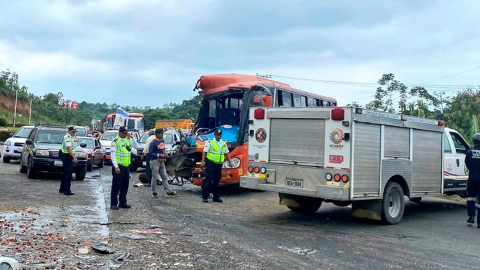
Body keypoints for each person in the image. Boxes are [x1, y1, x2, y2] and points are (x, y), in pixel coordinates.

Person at [201, 129, 233, 203]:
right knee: (208, 180)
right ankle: (205, 197)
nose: (218, 136)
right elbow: (204, 152)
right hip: (210, 163)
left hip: (218, 164)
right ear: (214, 135)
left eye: (220, 135)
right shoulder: (210, 142)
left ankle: (216, 197)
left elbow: (227, 153)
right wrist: (203, 161)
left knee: (217, 180)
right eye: (217, 134)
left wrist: (230, 161)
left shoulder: (223, 143)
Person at [149, 128, 178, 198]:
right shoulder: (153, 143)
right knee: (155, 177)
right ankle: (154, 192)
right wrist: (159, 155)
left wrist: (165, 154)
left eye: (162, 133)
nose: (162, 135)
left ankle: (168, 191)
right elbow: (150, 153)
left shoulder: (162, 141)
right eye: (161, 133)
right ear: (157, 134)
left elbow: (163, 149)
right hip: (155, 161)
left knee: (164, 176)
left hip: (162, 161)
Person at [110, 126, 133, 210]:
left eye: (126, 133)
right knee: (116, 186)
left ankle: (122, 202)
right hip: (118, 166)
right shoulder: (115, 141)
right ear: (119, 132)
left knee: (125, 186)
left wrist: (131, 137)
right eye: (123, 133)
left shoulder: (128, 140)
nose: (125, 134)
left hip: (126, 166)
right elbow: (113, 155)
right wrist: (116, 166)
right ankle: (113, 203)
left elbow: (131, 149)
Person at [466, 133, 480, 227]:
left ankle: (471, 217)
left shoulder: (469, 151)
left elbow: (467, 163)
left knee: (470, 198)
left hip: (472, 179)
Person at [59, 126, 78, 196]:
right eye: (73, 132)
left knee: (65, 173)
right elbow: (68, 148)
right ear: (69, 131)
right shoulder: (67, 138)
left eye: (74, 132)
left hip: (66, 155)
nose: (74, 133)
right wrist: (74, 157)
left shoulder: (70, 137)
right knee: (68, 174)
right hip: (67, 156)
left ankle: (62, 189)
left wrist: (75, 141)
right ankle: (67, 191)